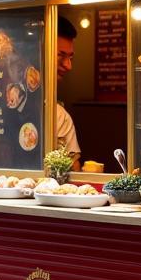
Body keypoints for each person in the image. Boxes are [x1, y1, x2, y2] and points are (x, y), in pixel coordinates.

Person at [56, 16, 82, 171]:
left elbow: (72, 166)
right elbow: (74, 169)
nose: (68, 65)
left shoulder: (59, 115)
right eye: (61, 55)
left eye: (70, 57)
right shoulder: (59, 115)